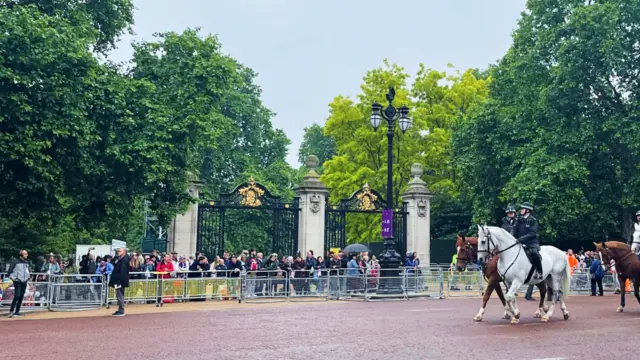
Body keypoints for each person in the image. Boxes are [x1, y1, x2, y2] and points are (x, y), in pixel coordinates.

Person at [512, 202, 542, 281]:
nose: (521, 210)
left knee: (534, 253)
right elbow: (514, 229)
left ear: (527, 210)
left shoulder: (533, 220)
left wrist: (521, 238)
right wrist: (510, 236)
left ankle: (539, 271)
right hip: (520, 242)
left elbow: (532, 233)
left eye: (522, 209)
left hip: (531, 243)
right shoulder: (519, 219)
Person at [7, 250, 30, 318]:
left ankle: (17, 311)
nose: (27, 255)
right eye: (25, 254)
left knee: (21, 296)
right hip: (18, 281)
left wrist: (27, 277)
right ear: (21, 255)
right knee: (17, 296)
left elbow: (27, 271)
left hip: (24, 281)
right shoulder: (15, 262)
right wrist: (15, 279)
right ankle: (11, 311)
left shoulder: (26, 262)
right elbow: (9, 272)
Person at [108, 247, 130, 316]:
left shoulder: (124, 260)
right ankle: (120, 309)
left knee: (119, 295)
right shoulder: (120, 259)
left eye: (119, 251)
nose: (118, 252)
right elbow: (113, 263)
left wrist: (119, 281)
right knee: (119, 294)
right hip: (118, 280)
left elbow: (122, 272)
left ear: (124, 252)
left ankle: (121, 310)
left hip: (119, 281)